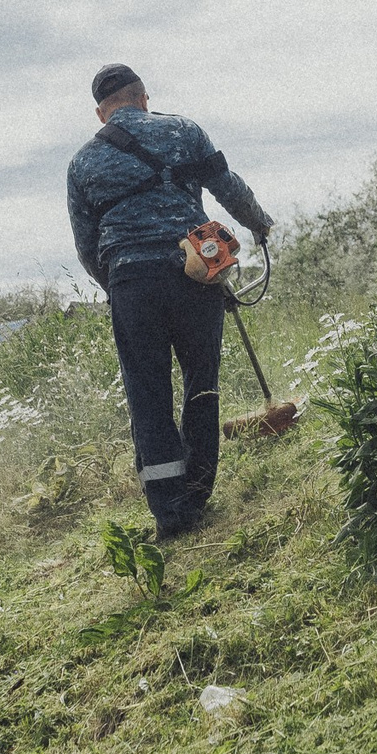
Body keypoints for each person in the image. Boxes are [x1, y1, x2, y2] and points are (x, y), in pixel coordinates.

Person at [67, 63, 273, 538]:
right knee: (202, 381)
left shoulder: (82, 164)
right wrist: (259, 225)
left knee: (148, 395)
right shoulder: (184, 132)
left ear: (102, 114)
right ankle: (198, 492)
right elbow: (228, 188)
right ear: (143, 98)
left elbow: (85, 245)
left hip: (130, 283)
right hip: (195, 273)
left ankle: (171, 514)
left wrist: (118, 285)